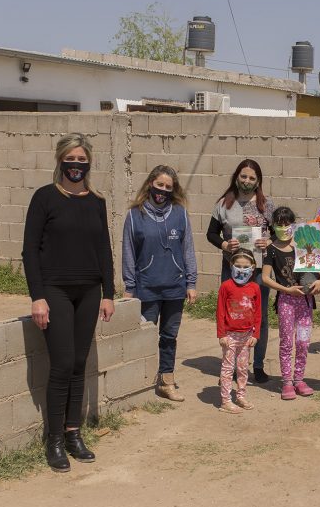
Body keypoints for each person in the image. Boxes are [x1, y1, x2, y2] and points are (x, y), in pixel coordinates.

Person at [22, 133, 115, 472]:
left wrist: (109, 293)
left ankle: (73, 433)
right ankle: (55, 440)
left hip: (89, 291)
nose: (76, 165)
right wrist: (38, 296)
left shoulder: (96, 201)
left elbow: (104, 249)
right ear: (60, 160)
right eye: (70, 160)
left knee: (79, 362)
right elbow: (30, 250)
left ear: (89, 163)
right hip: (55, 290)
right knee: (61, 364)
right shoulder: (45, 198)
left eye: (81, 160)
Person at [122, 165, 198, 402]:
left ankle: (166, 381)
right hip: (147, 288)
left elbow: (188, 250)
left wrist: (191, 282)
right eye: (159, 185)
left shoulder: (180, 213)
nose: (162, 190)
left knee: (169, 336)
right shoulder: (135, 215)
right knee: (143, 337)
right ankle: (139, 385)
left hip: (175, 287)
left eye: (168, 187)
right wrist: (129, 288)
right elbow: (128, 253)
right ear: (150, 184)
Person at [206, 160, 275, 383]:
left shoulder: (267, 205)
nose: (247, 181)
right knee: (232, 316)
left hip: (258, 270)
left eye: (252, 178)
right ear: (237, 176)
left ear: (258, 181)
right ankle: (231, 365)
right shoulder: (224, 204)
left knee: (260, 318)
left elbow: (280, 233)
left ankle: (258, 365)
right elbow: (211, 234)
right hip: (232, 270)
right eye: (243, 176)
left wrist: (269, 241)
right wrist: (224, 245)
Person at [262, 207, 319, 400]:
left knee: (303, 342)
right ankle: (286, 382)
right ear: (273, 225)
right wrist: (286, 290)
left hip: (305, 301)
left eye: (287, 223)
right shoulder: (271, 249)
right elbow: (265, 278)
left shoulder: (305, 243)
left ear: (293, 224)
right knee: (286, 342)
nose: (284, 227)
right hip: (286, 301)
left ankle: (299, 379)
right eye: (279, 224)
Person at [216, 249, 261, 414]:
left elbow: (258, 313)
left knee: (242, 368)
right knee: (228, 368)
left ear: (253, 267)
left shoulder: (255, 288)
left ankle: (240, 395)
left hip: (247, 335)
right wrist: (221, 334)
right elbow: (220, 312)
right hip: (230, 335)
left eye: (245, 266)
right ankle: (225, 401)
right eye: (238, 266)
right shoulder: (226, 286)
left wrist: (256, 335)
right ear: (231, 265)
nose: (241, 269)